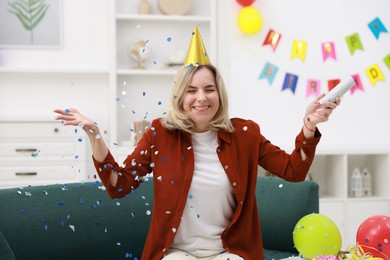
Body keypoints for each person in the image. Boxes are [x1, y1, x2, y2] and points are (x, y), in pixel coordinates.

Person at [54, 25, 341, 260]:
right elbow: (119, 185)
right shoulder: (159, 133)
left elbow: (293, 171)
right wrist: (95, 136)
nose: (201, 98)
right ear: (180, 96)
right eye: (191, 90)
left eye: (208, 89)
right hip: (177, 253)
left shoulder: (245, 133)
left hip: (230, 252)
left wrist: (309, 126)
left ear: (220, 93)